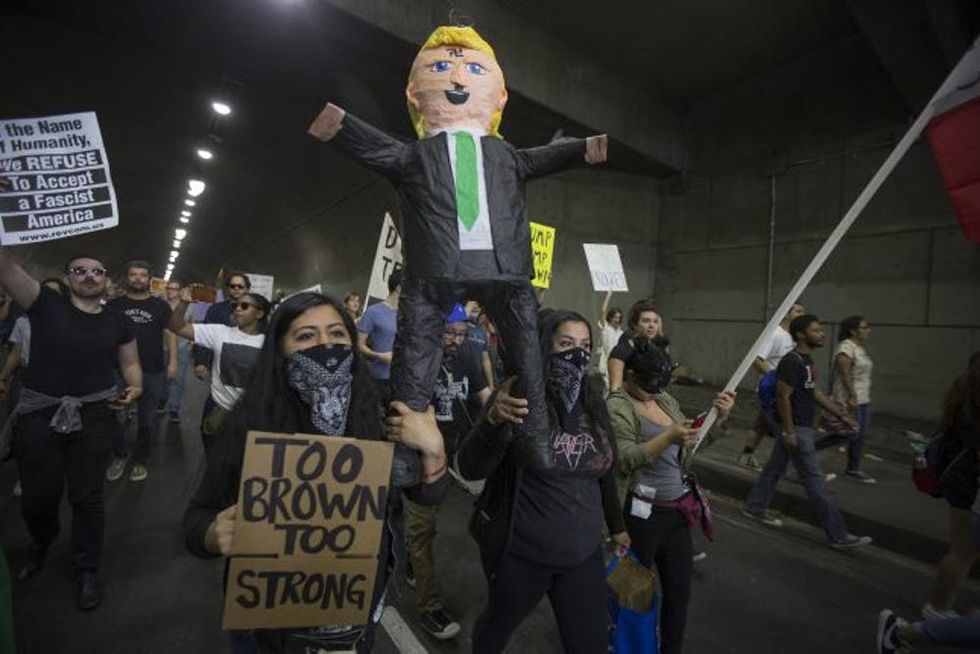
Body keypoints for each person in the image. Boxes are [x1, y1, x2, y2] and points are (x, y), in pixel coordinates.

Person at [308, 25, 608, 470]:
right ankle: (406, 450)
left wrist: (581, 150)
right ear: (415, 93)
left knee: (527, 356)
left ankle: (535, 438)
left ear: (499, 96)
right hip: (434, 272)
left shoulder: (508, 157)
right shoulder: (416, 156)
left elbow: (542, 158)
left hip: (505, 269)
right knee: (415, 357)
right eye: (442, 67)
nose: (456, 80)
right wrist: (341, 127)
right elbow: (376, 147)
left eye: (471, 69)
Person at [184, 291, 448, 653]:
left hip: (353, 616)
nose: (326, 344)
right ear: (279, 350)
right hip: (269, 626)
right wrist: (213, 535)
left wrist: (432, 451)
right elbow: (196, 519)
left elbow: (425, 496)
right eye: (307, 336)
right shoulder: (248, 423)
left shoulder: (382, 414)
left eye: (337, 334)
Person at [456, 308, 628, 653]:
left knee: (590, 643)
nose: (576, 354)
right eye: (565, 343)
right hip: (523, 554)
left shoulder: (593, 403)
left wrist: (617, 524)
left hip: (583, 554)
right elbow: (470, 467)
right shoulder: (517, 397)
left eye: (584, 344)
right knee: (498, 626)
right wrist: (492, 422)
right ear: (544, 348)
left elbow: (603, 470)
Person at [0, 253, 141, 610]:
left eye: (97, 271)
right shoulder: (45, 304)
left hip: (94, 416)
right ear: (67, 278)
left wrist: (135, 386)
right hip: (40, 416)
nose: (89, 276)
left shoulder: (118, 321)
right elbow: (6, 268)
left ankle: (86, 569)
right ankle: (42, 540)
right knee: (37, 498)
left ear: (107, 280)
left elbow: (130, 361)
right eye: (80, 270)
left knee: (87, 498)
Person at [608, 336, 734, 654]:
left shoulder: (664, 400)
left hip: (677, 512)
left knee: (679, 593)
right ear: (632, 376)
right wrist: (668, 437)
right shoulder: (617, 405)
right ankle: (626, 646)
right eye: (649, 385)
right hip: (641, 515)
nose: (655, 392)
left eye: (660, 386)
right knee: (633, 593)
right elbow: (625, 458)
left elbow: (692, 438)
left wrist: (719, 418)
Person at [742, 314, 871, 547]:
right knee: (815, 482)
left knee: (774, 469)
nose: (821, 334)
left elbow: (813, 391)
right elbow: (783, 397)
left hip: (800, 428)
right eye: (816, 330)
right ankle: (838, 534)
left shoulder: (807, 362)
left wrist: (839, 413)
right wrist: (789, 432)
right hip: (797, 429)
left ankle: (754, 506)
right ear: (801, 335)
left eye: (820, 330)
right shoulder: (792, 361)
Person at [405, 303, 491, 640]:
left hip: (457, 454)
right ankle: (430, 608)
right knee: (422, 531)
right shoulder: (419, 359)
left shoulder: (469, 355)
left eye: (462, 333)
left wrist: (503, 416)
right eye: (449, 333)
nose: (456, 340)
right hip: (422, 459)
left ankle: (409, 556)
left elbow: (484, 397)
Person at [105, 261, 177, 483]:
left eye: (142, 275)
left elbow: (171, 333)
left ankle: (140, 460)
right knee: (115, 417)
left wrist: (173, 361)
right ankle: (120, 455)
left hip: (152, 369)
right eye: (133, 274)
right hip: (118, 371)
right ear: (127, 278)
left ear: (150, 279)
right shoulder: (114, 305)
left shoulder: (160, 307)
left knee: (147, 419)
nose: (137, 278)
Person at [167, 288, 267, 446]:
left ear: (259, 314)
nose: (238, 309)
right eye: (235, 306)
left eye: (245, 306)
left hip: (252, 412)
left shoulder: (269, 343)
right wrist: (183, 304)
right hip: (218, 408)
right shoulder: (220, 332)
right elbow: (177, 327)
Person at [923, 352, 980, 620]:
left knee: (961, 552)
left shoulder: (962, 391)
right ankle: (936, 611)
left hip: (960, 478)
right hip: (969, 480)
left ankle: (937, 608)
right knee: (962, 552)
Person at [738, 302, 805, 469]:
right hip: (773, 392)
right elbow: (756, 359)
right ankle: (794, 467)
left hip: (784, 391)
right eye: (798, 311)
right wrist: (775, 378)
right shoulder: (775, 334)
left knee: (761, 425)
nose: (802, 314)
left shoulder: (793, 337)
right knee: (787, 430)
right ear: (786, 314)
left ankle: (746, 455)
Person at [828, 314, 876, 483]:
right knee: (847, 434)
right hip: (848, 398)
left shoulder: (859, 348)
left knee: (860, 435)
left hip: (863, 398)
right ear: (853, 331)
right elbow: (844, 372)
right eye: (864, 327)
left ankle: (853, 468)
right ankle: (807, 449)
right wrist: (852, 396)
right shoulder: (846, 347)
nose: (868, 330)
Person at [192, 272, 252, 383]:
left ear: (247, 289)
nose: (236, 289)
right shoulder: (216, 309)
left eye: (240, 286)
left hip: (246, 364)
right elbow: (205, 336)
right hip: (219, 364)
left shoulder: (255, 311)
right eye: (232, 286)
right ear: (228, 288)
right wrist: (201, 362)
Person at [358, 270, 400, 405]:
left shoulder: (407, 314)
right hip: (379, 379)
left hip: (402, 379)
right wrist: (379, 355)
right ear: (399, 288)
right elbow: (359, 345)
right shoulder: (373, 312)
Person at [608, 299, 664, 392]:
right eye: (646, 321)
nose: (652, 325)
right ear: (634, 324)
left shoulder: (656, 348)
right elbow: (615, 390)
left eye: (655, 321)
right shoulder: (623, 350)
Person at [163, 279, 193, 423]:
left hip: (181, 346)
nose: (170, 291)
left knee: (178, 378)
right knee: (162, 377)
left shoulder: (189, 306)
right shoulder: (160, 304)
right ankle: (161, 402)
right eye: (169, 288)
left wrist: (191, 343)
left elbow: (193, 324)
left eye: (174, 289)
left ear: (180, 291)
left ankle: (174, 409)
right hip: (161, 346)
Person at [596, 290, 623, 393]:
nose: (617, 319)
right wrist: (608, 295)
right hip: (606, 361)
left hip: (617, 362)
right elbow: (603, 310)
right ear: (610, 317)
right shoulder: (605, 327)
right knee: (608, 387)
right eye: (615, 317)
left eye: (619, 317)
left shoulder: (620, 332)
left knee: (615, 388)